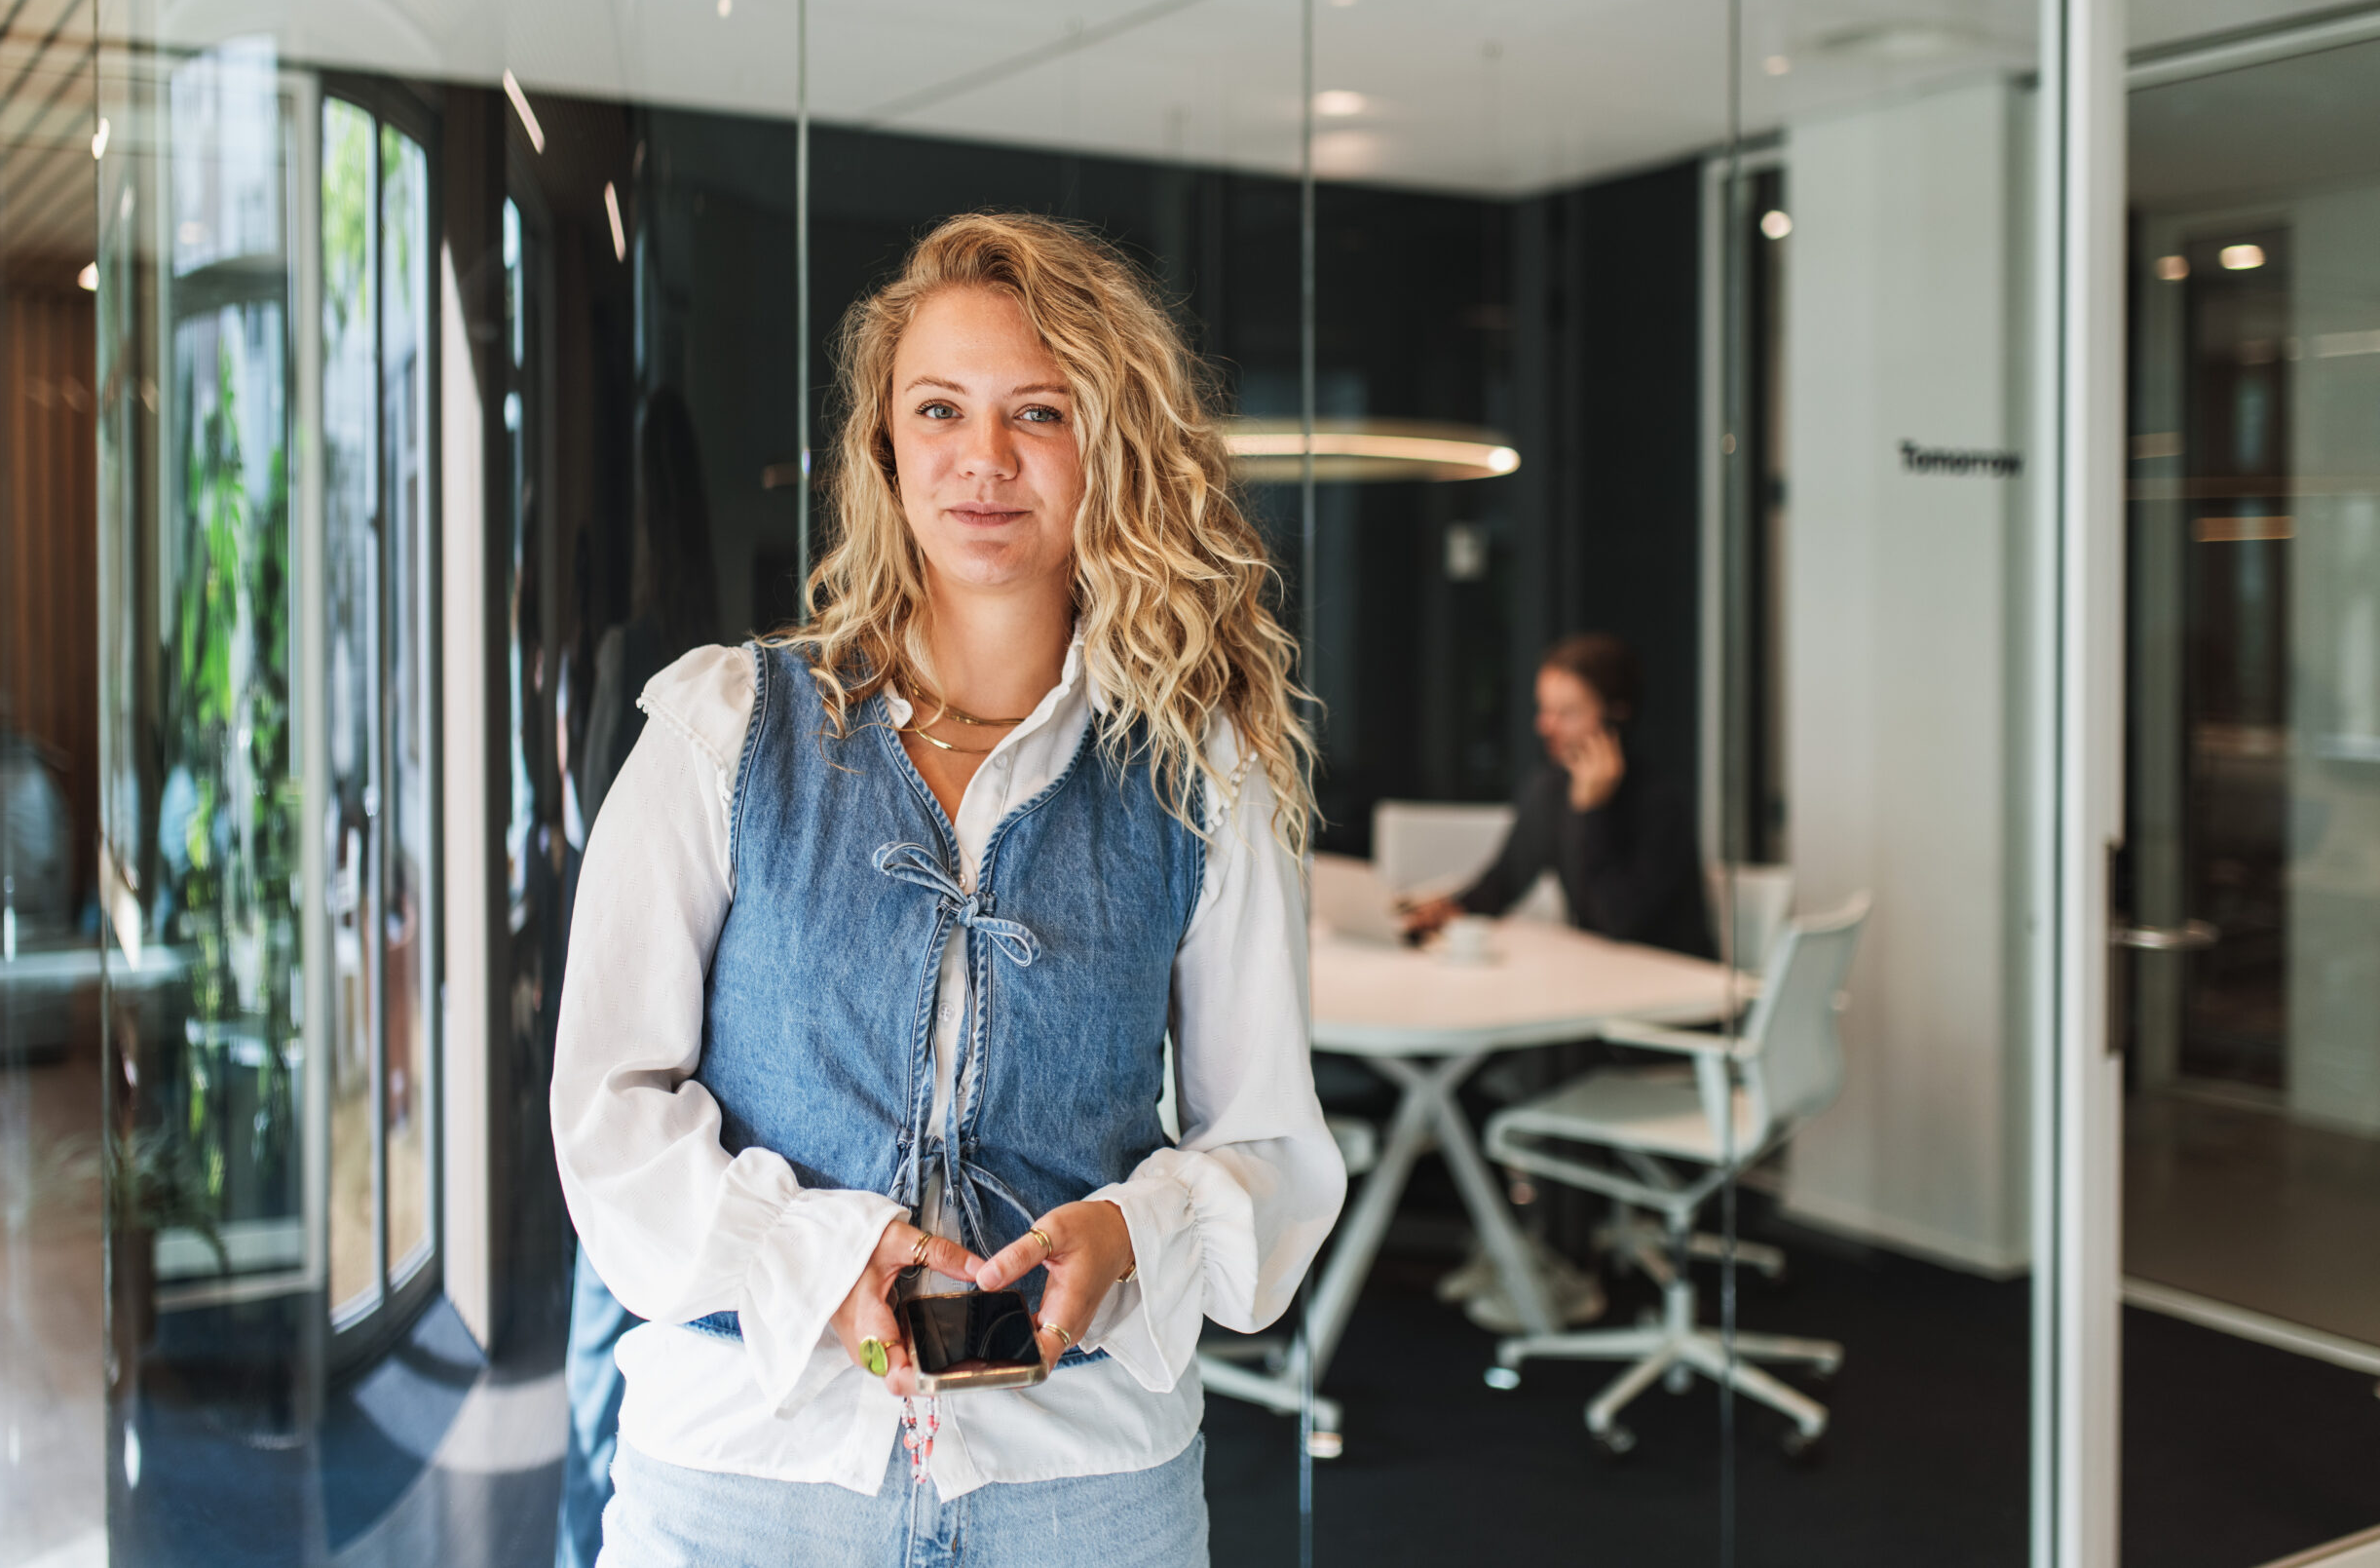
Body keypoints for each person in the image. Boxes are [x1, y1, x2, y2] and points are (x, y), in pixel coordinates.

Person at [550, 213, 1342, 1568]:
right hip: (754, 1461)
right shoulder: (723, 727)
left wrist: (1131, 1229)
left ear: (1111, 445)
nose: (984, 459)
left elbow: (1267, 1147)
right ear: (886, 446)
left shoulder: (1201, 771)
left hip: (1085, 1478)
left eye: (1038, 411)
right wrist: (815, 1251)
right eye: (940, 409)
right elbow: (608, 1117)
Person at [556, 392, 722, 1568]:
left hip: (637, 977)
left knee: (608, 1316)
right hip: (705, 1013)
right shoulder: (728, 656)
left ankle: (581, 1533)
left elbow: (575, 814)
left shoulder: (653, 672)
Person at [1402, 632, 1715, 960]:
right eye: (1544, 709)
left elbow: (1616, 923)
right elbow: (1502, 885)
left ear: (1616, 715)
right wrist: (1443, 910)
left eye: (1566, 713)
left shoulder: (1660, 802)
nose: (1545, 726)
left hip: (1667, 988)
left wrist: (1592, 812)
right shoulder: (1550, 788)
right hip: (1600, 979)